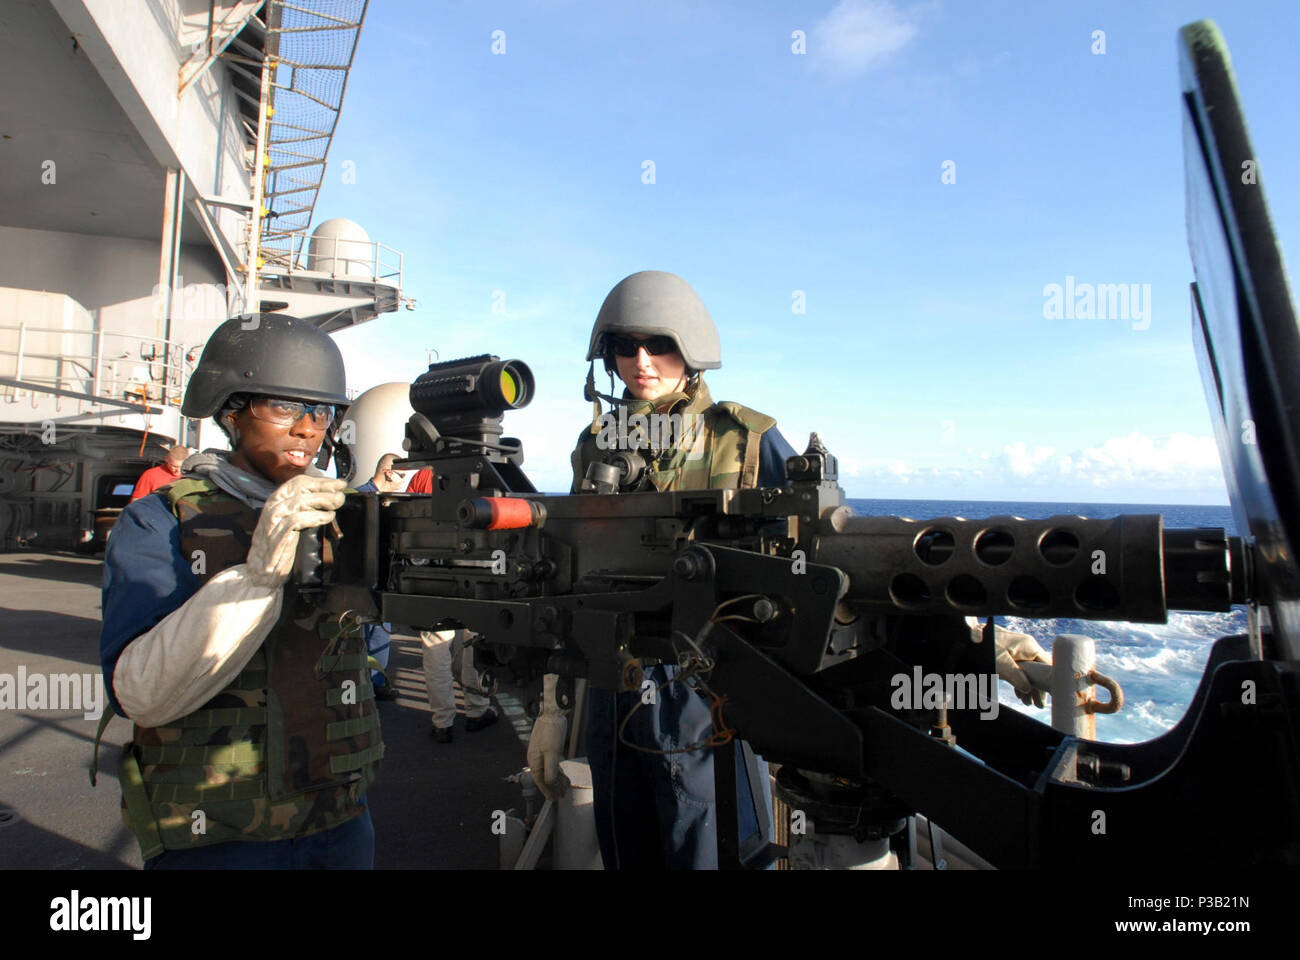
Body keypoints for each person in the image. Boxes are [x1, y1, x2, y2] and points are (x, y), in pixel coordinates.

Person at [528, 270, 796, 870]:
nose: (641, 361)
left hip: (707, 680)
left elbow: (814, 559)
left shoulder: (745, 439)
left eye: (660, 344)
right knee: (625, 833)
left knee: (705, 837)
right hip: (612, 672)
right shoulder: (594, 445)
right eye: (626, 347)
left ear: (692, 349)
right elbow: (564, 571)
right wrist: (551, 706)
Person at [93, 313, 381, 869]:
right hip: (217, 836)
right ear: (231, 412)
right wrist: (257, 576)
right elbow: (139, 692)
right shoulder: (163, 519)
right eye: (283, 407)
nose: (307, 428)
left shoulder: (339, 518)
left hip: (339, 821)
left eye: (321, 411)